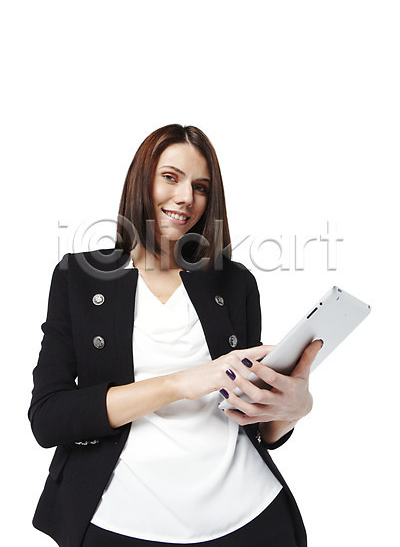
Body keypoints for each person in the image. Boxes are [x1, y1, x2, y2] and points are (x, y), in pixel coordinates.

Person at [29, 124, 321, 547]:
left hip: (252, 514)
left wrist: (294, 408)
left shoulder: (235, 282)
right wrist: (181, 383)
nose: (186, 197)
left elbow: (257, 426)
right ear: (141, 180)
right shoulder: (78, 276)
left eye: (200, 187)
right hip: (121, 520)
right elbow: (49, 417)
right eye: (170, 177)